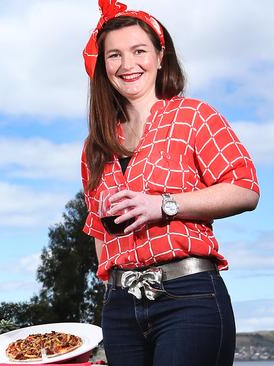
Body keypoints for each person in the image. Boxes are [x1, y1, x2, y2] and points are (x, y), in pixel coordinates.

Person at [80, 1, 259, 365]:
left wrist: (162, 204)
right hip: (120, 308)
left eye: (138, 51)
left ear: (161, 56)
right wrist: (114, 291)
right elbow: (100, 233)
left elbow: (245, 188)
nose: (127, 64)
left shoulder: (194, 116)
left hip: (188, 297)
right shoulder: (94, 146)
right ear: (103, 67)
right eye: (114, 55)